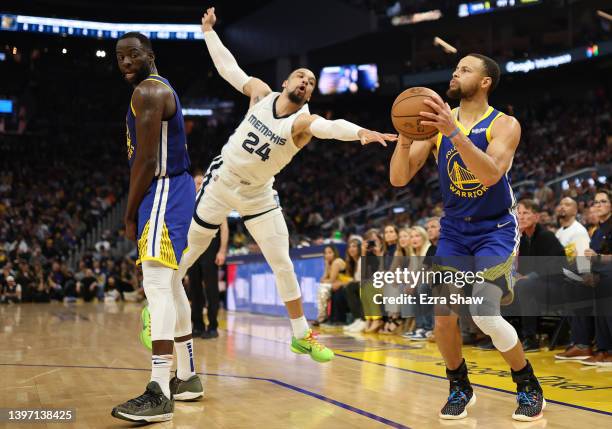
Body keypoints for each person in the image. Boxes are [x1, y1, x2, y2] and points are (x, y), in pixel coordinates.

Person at [175, 7, 396, 363]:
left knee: (283, 264)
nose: (305, 82)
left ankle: (301, 335)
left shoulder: (302, 123)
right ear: (285, 82)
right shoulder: (260, 95)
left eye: (310, 82)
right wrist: (209, 32)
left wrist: (360, 133)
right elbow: (228, 68)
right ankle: (157, 307)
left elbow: (330, 126)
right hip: (221, 180)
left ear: (309, 95)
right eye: (300, 76)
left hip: (258, 193)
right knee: (190, 251)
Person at [390, 54, 544, 421]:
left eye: (466, 69)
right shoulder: (437, 127)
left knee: (484, 312)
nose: (456, 73)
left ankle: (527, 384)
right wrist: (404, 136)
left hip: (496, 229)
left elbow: (490, 174)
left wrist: (453, 132)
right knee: (443, 316)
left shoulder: (504, 124)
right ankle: (459, 384)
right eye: (456, 68)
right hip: (455, 231)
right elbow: (398, 178)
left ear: (486, 81)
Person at [112, 32, 203, 423]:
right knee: (171, 283)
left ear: (149, 54)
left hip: (163, 189)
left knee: (156, 282)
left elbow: (146, 161)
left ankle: (159, 389)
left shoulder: (149, 92)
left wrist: (129, 213)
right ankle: (187, 377)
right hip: (172, 189)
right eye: (120, 57)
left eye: (133, 54)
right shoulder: (158, 89)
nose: (126, 61)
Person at [515, 199, 565, 352]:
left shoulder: (547, 236)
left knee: (525, 285)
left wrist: (529, 277)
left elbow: (557, 265)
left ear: (536, 217)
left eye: (526, 213)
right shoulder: (522, 240)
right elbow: (522, 270)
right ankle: (507, 337)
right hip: (533, 286)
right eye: (519, 213)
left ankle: (531, 338)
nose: (521, 217)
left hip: (556, 287)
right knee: (504, 284)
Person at [188, 169, 228, 339]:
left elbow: (224, 228)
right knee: (194, 288)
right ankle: (197, 325)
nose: (199, 186)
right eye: (196, 183)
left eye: (201, 183)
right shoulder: (187, 202)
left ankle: (213, 326)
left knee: (211, 288)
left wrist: (222, 250)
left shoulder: (215, 201)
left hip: (211, 248)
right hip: (192, 249)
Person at [553, 197, 594, 361]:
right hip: (564, 274)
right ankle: (576, 341)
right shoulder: (559, 231)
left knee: (571, 288)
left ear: (576, 211)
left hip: (577, 276)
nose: (563, 206)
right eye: (561, 203)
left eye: (568, 204)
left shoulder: (579, 230)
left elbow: (584, 264)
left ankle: (582, 343)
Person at [583, 189, 612, 366]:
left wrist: (598, 258)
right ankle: (585, 345)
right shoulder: (596, 231)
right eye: (596, 202)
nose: (599, 205)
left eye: (603, 201)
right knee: (576, 285)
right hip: (602, 273)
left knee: (605, 283)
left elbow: (599, 257)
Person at [342, 239, 367, 333]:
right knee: (348, 287)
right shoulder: (352, 262)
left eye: (354, 246)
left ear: (360, 248)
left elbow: (364, 276)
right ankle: (358, 319)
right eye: (350, 247)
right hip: (361, 285)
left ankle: (363, 319)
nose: (351, 249)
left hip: (369, 284)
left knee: (351, 287)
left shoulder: (362, 258)